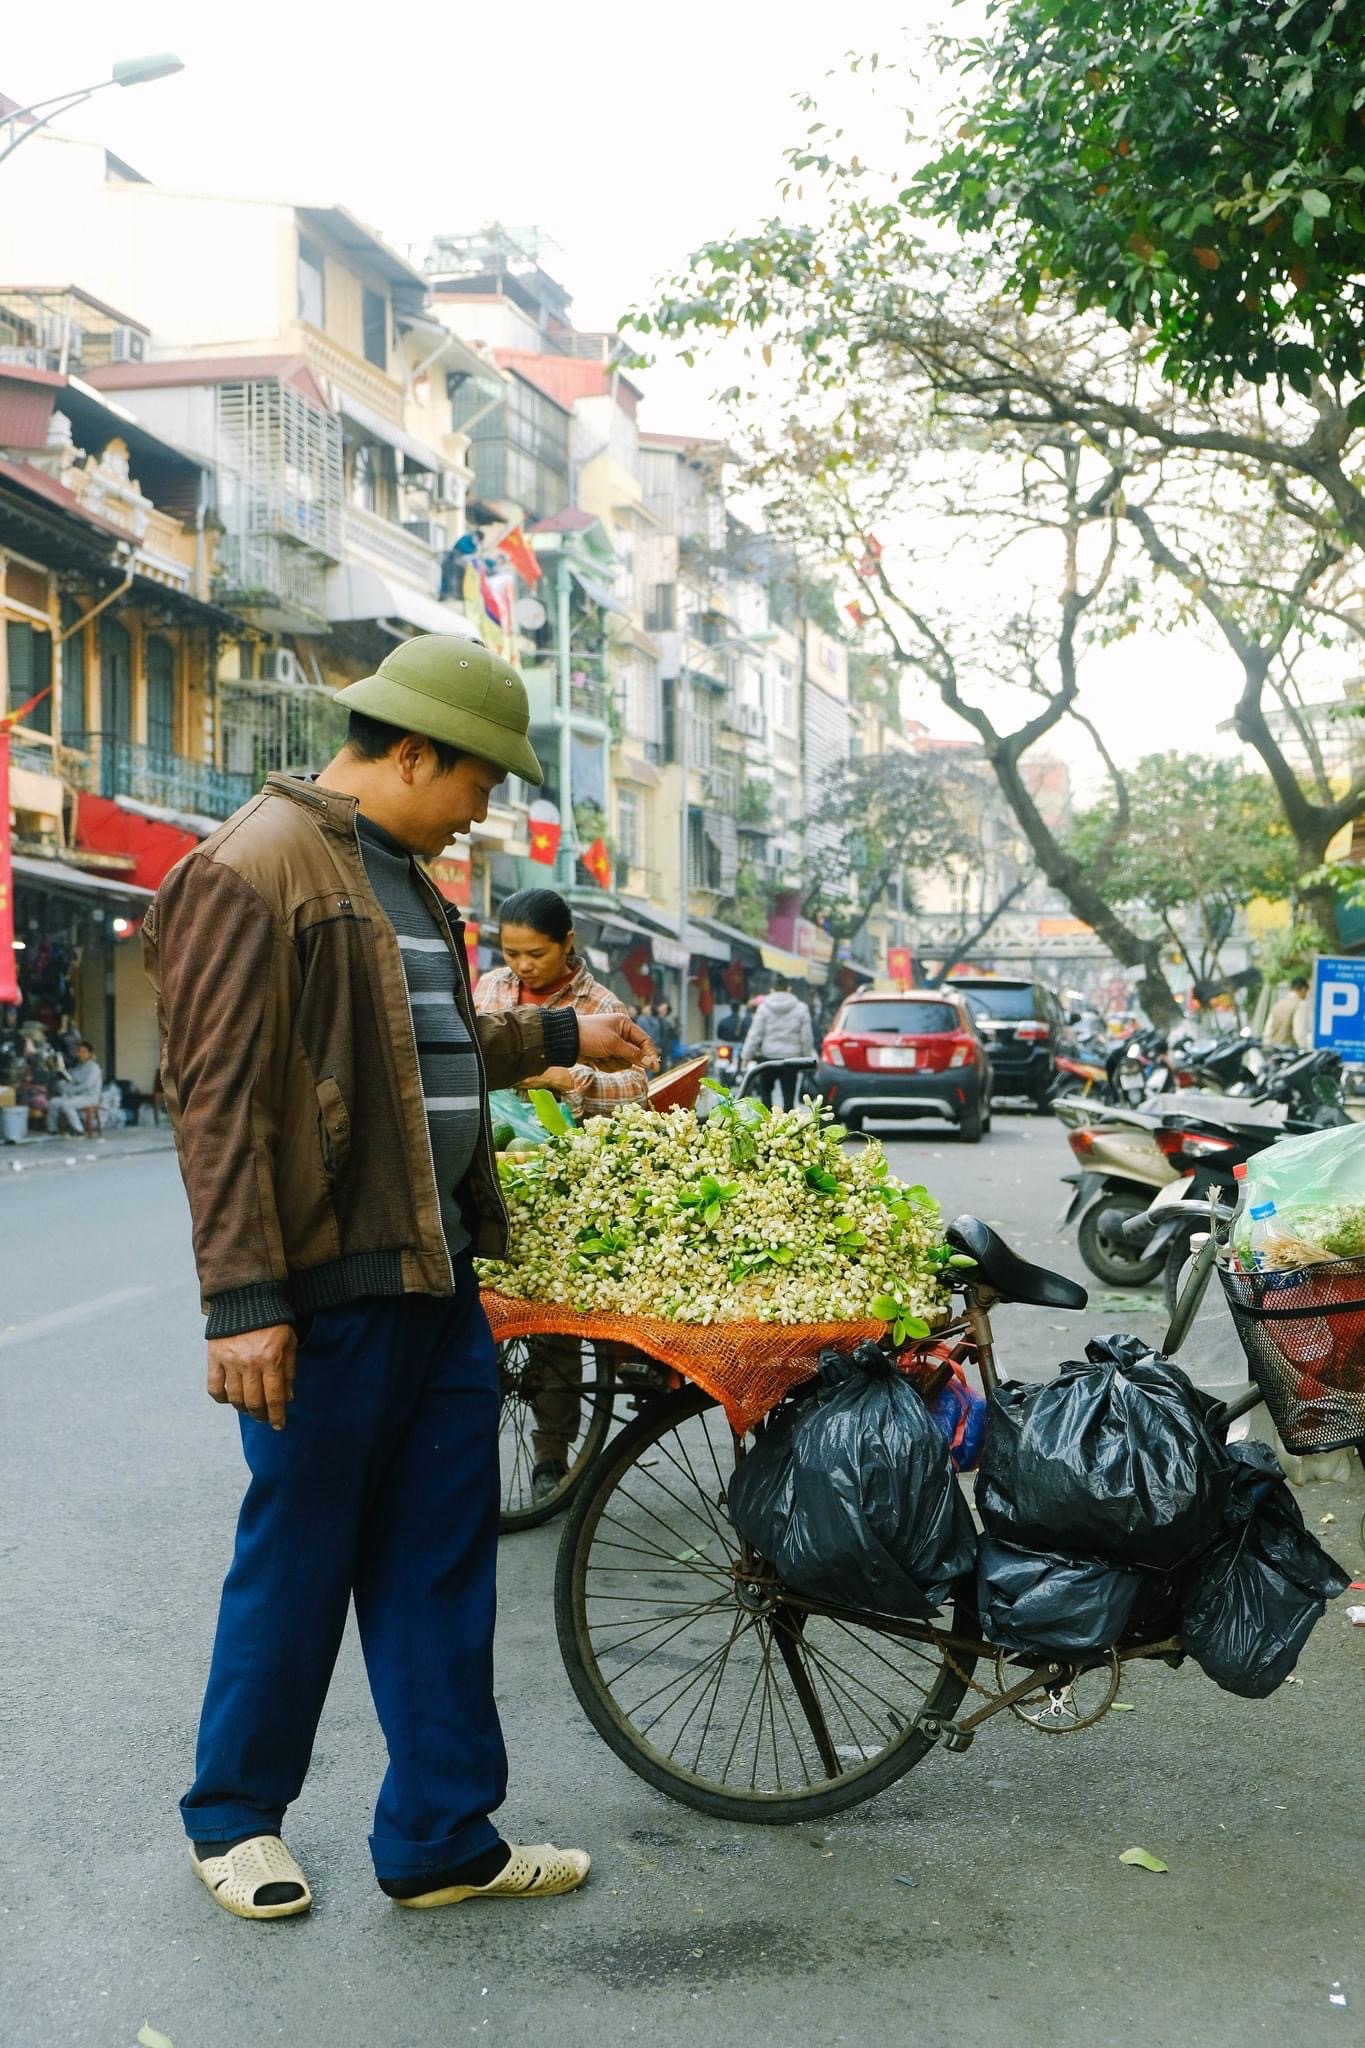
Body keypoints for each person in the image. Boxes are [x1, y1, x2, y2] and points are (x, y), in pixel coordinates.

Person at [144, 634, 656, 1924]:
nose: (487, 806)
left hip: (439, 1277)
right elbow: (214, 1102)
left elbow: (426, 1041)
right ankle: (234, 1816)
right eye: (479, 778)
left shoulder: (410, 881)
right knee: (302, 1552)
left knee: (441, 1560)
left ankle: (440, 1835)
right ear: (413, 751)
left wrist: (561, 1034)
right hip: (325, 1286)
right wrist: (244, 1304)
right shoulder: (249, 865)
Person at [476, 888, 650, 1500]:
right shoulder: (489, 992)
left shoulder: (601, 1004)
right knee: (484, 1318)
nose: (523, 966)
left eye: (537, 954)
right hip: (490, 1168)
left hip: (563, 1176)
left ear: (568, 943)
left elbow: (640, 1081)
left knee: (554, 1327)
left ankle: (552, 1454)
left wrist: (566, 1077)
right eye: (512, 953)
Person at [742, 977, 817, 1109]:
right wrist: (807, 1057)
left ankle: (768, 1123)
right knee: (788, 1095)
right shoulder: (801, 1008)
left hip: (768, 1058)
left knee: (765, 1093)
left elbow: (755, 1034)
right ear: (789, 989)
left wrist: (746, 1057)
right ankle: (788, 1125)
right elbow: (807, 1037)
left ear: (772, 990)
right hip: (791, 1059)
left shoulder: (763, 1008)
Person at [46, 1039, 102, 1136]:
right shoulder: (78, 1067)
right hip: (76, 1096)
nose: (80, 1054)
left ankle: (79, 1130)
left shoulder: (94, 1068)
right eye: (79, 1051)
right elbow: (71, 1081)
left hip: (89, 1097)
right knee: (53, 1102)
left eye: (84, 1052)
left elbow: (87, 1085)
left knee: (67, 1105)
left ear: (90, 1053)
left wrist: (70, 1090)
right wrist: (64, 1087)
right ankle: (53, 1129)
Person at [1266, 975, 1311, 1049]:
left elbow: (1268, 1032)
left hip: (1274, 1049)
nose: (1306, 995)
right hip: (1290, 1051)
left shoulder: (1277, 1005)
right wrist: (1304, 1048)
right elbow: (1299, 1033)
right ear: (1303, 989)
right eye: (1306, 992)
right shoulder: (1300, 1005)